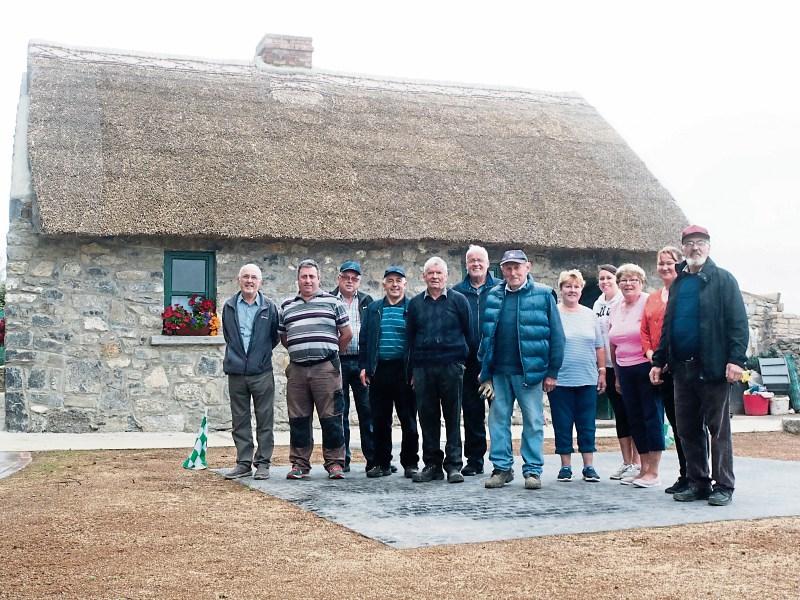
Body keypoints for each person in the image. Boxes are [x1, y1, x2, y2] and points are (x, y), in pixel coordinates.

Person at [651, 225, 748, 506]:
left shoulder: (723, 280)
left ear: (709, 246)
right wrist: (659, 360)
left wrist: (736, 360)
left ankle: (724, 485)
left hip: (714, 367)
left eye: (701, 242)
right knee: (687, 428)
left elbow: (738, 323)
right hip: (682, 369)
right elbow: (669, 326)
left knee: (718, 430)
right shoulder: (679, 283)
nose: (695, 247)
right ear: (683, 248)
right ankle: (698, 482)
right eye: (690, 243)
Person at [479, 250, 565, 490]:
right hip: (499, 373)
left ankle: (533, 470)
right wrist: (485, 372)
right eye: (508, 267)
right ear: (502, 270)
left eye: (517, 267)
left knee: (533, 422)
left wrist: (553, 372)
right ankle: (502, 469)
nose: (512, 272)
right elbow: (486, 337)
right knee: (497, 421)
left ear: (528, 267)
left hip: (530, 373)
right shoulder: (493, 295)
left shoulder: (544, 294)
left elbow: (557, 336)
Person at [279, 259, 352, 480]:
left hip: (326, 369)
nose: (308, 280)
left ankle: (335, 464)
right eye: (304, 276)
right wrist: (302, 350)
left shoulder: (333, 302)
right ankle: (299, 464)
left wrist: (330, 354)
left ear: (319, 279)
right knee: (298, 419)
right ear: (298, 280)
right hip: (297, 371)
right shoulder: (287, 306)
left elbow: (346, 334)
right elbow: (285, 338)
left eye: (312, 276)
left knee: (332, 417)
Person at [407, 257, 473, 484]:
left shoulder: (459, 301)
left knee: (453, 417)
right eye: (431, 273)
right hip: (423, 368)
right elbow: (410, 339)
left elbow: (469, 333)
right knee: (428, 418)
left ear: (446, 276)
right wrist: (411, 372)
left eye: (439, 273)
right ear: (424, 276)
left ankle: (454, 465)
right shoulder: (415, 304)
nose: (435, 277)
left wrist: (463, 364)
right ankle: (432, 465)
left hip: (451, 367)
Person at [640, 246, 697, 495]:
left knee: (690, 425)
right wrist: (653, 357)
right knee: (675, 424)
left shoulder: (686, 293)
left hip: (683, 367)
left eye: (669, 262)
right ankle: (685, 474)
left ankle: (697, 475)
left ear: (680, 264)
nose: (665, 267)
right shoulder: (653, 297)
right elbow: (644, 331)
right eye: (661, 263)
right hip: (661, 367)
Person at [359, 266, 420, 479]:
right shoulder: (374, 309)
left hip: (404, 371)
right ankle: (382, 463)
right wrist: (364, 366)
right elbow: (364, 339)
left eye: (398, 281)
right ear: (384, 284)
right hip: (379, 370)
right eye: (391, 281)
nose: (395, 285)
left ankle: (410, 463)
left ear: (405, 284)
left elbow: (418, 341)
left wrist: (415, 370)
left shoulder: (414, 308)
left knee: (408, 420)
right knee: (380, 420)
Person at [221, 264, 280, 480]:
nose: (249, 281)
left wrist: (259, 356)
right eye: (245, 276)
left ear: (260, 282)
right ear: (239, 280)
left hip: (261, 372)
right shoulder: (229, 306)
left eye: (254, 277)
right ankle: (243, 463)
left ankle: (263, 463)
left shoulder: (269, 308)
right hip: (236, 372)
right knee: (240, 420)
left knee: (265, 419)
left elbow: (274, 338)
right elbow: (229, 335)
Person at [609, 263, 664, 488]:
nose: (628, 284)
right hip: (624, 368)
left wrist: (657, 364)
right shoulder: (615, 306)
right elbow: (612, 342)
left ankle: (654, 471)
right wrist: (617, 374)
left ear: (641, 282)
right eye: (623, 280)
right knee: (634, 419)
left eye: (633, 280)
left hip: (646, 367)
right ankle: (642, 468)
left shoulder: (649, 302)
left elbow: (657, 335)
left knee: (652, 416)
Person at [549, 270, 606, 483]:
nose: (572, 290)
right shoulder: (553, 314)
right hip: (560, 380)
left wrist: (602, 371)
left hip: (587, 378)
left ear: (581, 290)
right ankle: (565, 466)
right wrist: (548, 374)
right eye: (568, 286)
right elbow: (548, 345)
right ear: (561, 289)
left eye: (576, 287)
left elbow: (599, 346)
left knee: (586, 423)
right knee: (562, 423)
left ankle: (588, 466)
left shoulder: (590, 315)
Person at [452, 244, 501, 476]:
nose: (476, 264)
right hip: (468, 363)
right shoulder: (456, 293)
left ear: (488, 263)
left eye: (480, 260)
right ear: (466, 264)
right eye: (472, 260)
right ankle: (474, 460)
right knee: (472, 413)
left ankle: (502, 461)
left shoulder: (501, 289)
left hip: (496, 362)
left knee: (499, 413)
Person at [593, 264, 640, 480]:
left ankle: (638, 462)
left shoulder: (623, 301)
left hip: (626, 362)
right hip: (609, 366)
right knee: (620, 414)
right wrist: (601, 367)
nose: (605, 282)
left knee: (633, 413)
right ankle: (626, 461)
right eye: (601, 278)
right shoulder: (597, 304)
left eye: (609, 278)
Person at [331, 260, 375, 473]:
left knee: (368, 411)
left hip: (361, 362)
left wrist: (370, 363)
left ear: (359, 281)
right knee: (340, 412)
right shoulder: (329, 300)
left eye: (354, 278)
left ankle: (373, 459)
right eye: (346, 277)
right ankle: (342, 460)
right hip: (338, 361)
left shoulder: (367, 301)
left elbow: (373, 333)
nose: (350, 281)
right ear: (339, 278)